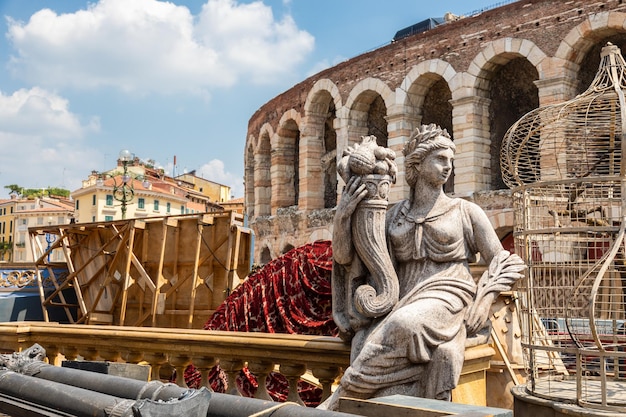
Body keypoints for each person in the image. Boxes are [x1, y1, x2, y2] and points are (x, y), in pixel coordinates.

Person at [322, 124, 524, 410]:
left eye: (451, 161)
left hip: (450, 296)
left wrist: (485, 297)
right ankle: (375, 403)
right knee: (363, 338)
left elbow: (506, 260)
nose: (448, 167)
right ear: (417, 162)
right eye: (440, 159)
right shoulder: (394, 216)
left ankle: (340, 399)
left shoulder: (465, 212)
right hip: (403, 298)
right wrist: (344, 216)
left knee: (404, 325)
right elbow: (347, 259)